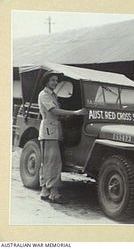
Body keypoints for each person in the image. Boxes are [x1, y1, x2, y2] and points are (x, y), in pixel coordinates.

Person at [38, 71, 87, 204]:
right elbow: (53, 111)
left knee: (48, 161)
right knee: (53, 162)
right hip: (49, 131)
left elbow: (56, 114)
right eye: (52, 80)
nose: (54, 82)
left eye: (56, 80)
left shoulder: (52, 95)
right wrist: (74, 113)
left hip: (53, 130)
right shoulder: (44, 95)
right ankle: (54, 193)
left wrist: (66, 117)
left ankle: (44, 190)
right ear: (46, 81)